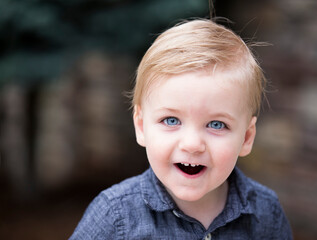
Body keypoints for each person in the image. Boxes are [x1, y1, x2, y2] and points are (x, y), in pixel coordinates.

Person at [69, 19, 293, 239]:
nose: (192, 144)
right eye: (171, 120)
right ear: (141, 126)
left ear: (246, 137)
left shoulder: (266, 214)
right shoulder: (115, 215)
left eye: (216, 124)